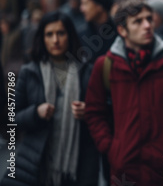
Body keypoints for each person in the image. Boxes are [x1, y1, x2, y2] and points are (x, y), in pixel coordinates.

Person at [84, 0, 163, 185]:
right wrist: (111, 148)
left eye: (149, 19)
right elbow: (94, 111)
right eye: (138, 21)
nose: (147, 25)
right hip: (125, 170)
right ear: (122, 30)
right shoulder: (106, 65)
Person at [1, 11, 99, 186]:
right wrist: (35, 112)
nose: (55, 40)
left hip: (77, 164)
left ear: (70, 35)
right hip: (37, 163)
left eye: (61, 33)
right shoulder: (29, 72)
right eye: (49, 34)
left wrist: (88, 111)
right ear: (42, 38)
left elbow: (104, 114)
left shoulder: (86, 71)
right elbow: (11, 119)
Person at [78, 0, 117, 64]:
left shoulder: (119, 33)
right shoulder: (81, 35)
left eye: (86, 3)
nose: (82, 9)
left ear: (99, 5)